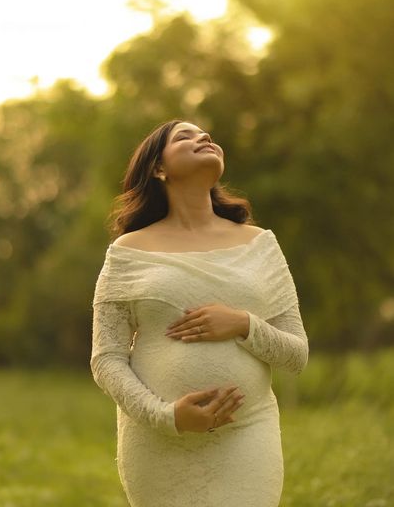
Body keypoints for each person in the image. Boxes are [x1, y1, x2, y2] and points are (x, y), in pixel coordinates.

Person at [90, 119, 308, 507]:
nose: (204, 137)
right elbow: (106, 359)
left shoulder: (260, 245)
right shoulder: (127, 252)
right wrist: (167, 416)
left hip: (247, 434)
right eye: (184, 137)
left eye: (205, 134)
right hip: (157, 439)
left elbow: (296, 354)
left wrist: (243, 324)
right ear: (159, 168)